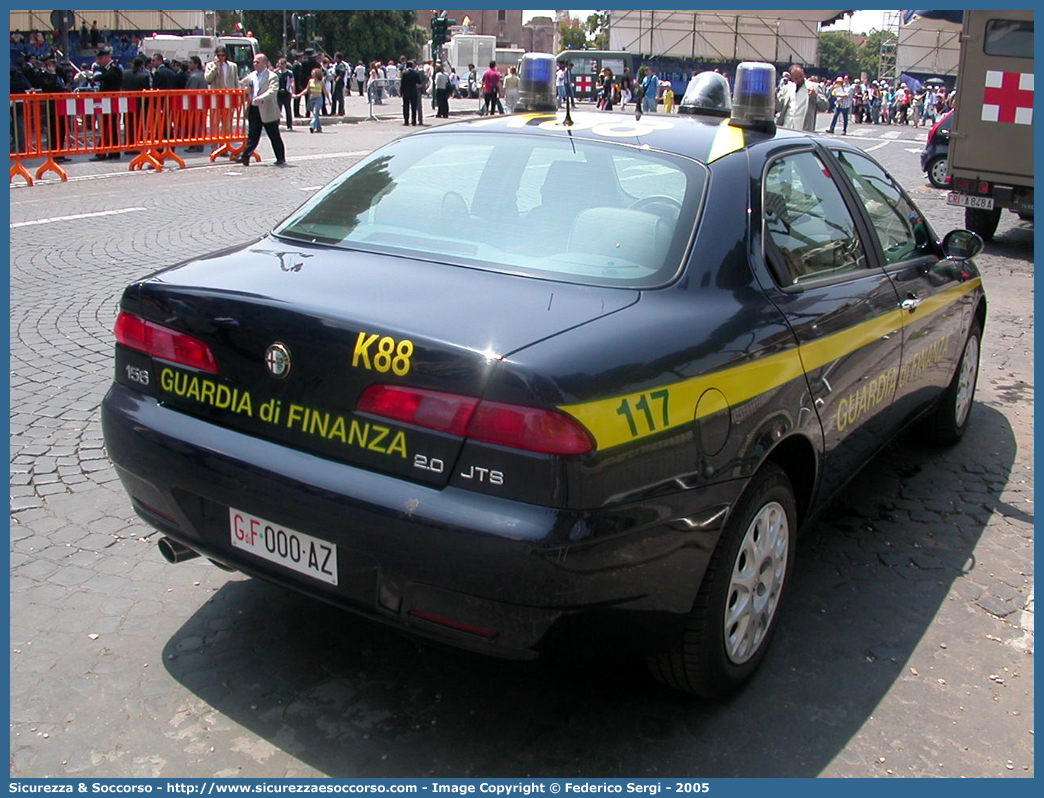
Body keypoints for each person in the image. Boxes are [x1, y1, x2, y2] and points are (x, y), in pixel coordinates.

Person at [238, 53, 286, 166]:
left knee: (273, 135)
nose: (255, 64)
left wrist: (261, 98)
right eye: (254, 62)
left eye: (257, 62)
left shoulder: (272, 76)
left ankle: (280, 157)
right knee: (252, 135)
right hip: (254, 109)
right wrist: (245, 90)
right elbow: (242, 84)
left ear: (265, 63)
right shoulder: (252, 75)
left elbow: (272, 90)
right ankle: (245, 157)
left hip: (267, 109)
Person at [91, 47, 122, 159]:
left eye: (100, 58)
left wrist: (99, 77)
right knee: (109, 127)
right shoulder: (108, 69)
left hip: (111, 102)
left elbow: (109, 79)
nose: (99, 61)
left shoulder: (113, 69)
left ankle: (104, 151)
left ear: (106, 57)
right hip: (108, 102)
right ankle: (112, 151)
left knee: (108, 127)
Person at [775, 64, 824, 132]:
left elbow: (825, 106)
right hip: (787, 127)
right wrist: (774, 96)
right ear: (791, 77)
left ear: (803, 72)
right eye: (796, 78)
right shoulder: (787, 88)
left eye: (801, 76)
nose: (799, 79)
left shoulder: (814, 87)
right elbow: (778, 107)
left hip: (803, 130)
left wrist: (816, 96)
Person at [294, 67, 326, 133]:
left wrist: (329, 99)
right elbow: (306, 90)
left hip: (318, 99)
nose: (312, 74)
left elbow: (325, 91)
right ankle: (319, 128)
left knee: (315, 112)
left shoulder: (321, 82)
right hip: (311, 99)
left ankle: (312, 126)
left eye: (313, 73)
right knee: (315, 114)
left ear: (317, 74)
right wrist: (299, 95)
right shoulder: (310, 81)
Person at [399, 60, 423, 126]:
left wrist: (401, 92)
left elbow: (402, 84)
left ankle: (406, 120)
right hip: (413, 92)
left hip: (406, 92)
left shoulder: (404, 73)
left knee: (406, 107)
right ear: (412, 66)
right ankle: (414, 121)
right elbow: (419, 83)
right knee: (413, 107)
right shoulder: (416, 73)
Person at [275, 56, 295, 131]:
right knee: (277, 109)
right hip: (278, 93)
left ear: (285, 64)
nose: (281, 65)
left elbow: (292, 82)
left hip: (286, 93)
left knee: (288, 109)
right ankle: (276, 124)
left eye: (282, 64)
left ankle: (289, 125)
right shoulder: (276, 73)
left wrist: (292, 92)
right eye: (279, 64)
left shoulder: (289, 73)